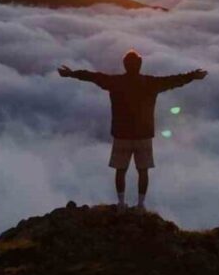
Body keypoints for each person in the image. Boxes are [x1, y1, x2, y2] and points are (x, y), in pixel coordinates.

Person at [58, 49, 207, 211]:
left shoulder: (115, 82)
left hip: (121, 134)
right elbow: (174, 80)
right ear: (140, 65)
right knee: (143, 171)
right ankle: (141, 205)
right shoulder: (151, 83)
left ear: (125, 65)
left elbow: (93, 76)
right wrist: (193, 75)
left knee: (120, 170)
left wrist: (71, 73)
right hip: (144, 135)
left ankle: (121, 204)